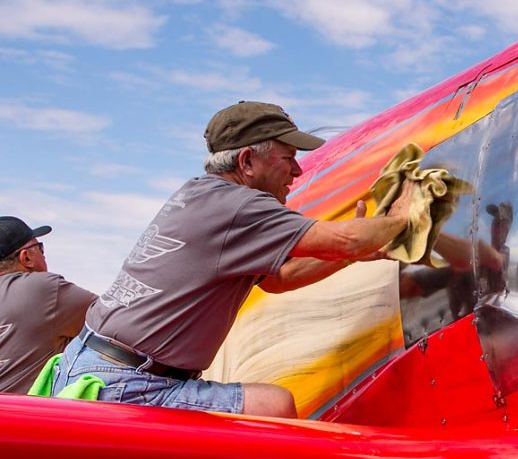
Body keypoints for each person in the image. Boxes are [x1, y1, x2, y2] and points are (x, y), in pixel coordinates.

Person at [50, 101, 420, 417]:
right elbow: (343, 239)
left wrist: (349, 256)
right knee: (273, 405)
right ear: (247, 162)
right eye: (289, 158)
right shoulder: (238, 205)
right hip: (128, 382)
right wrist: (403, 217)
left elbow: (280, 279)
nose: (297, 171)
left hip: (99, 367)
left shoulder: (206, 197)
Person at [0, 217, 97, 394]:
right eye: (40, 248)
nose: (44, 254)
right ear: (26, 257)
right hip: (19, 418)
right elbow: (114, 320)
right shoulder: (43, 289)